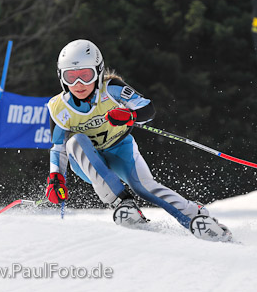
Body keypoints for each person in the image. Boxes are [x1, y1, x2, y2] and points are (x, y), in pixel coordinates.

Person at [45, 39, 231, 241]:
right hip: (88, 162)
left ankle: (196, 217)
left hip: (120, 150)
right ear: (61, 78)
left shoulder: (112, 89)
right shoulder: (59, 107)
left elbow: (147, 109)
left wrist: (130, 115)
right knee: (75, 141)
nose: (78, 84)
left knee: (144, 186)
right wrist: (56, 178)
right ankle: (122, 203)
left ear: (98, 72)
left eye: (85, 76)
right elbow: (58, 147)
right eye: (70, 77)